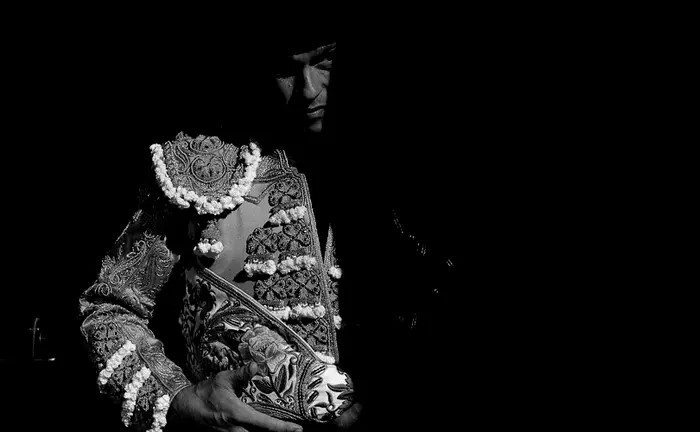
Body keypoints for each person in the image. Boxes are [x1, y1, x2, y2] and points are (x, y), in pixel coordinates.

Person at [77, 33, 455, 432]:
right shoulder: (203, 168)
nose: (308, 90)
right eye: (285, 70)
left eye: (325, 61)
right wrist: (180, 399)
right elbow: (109, 309)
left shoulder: (418, 171)